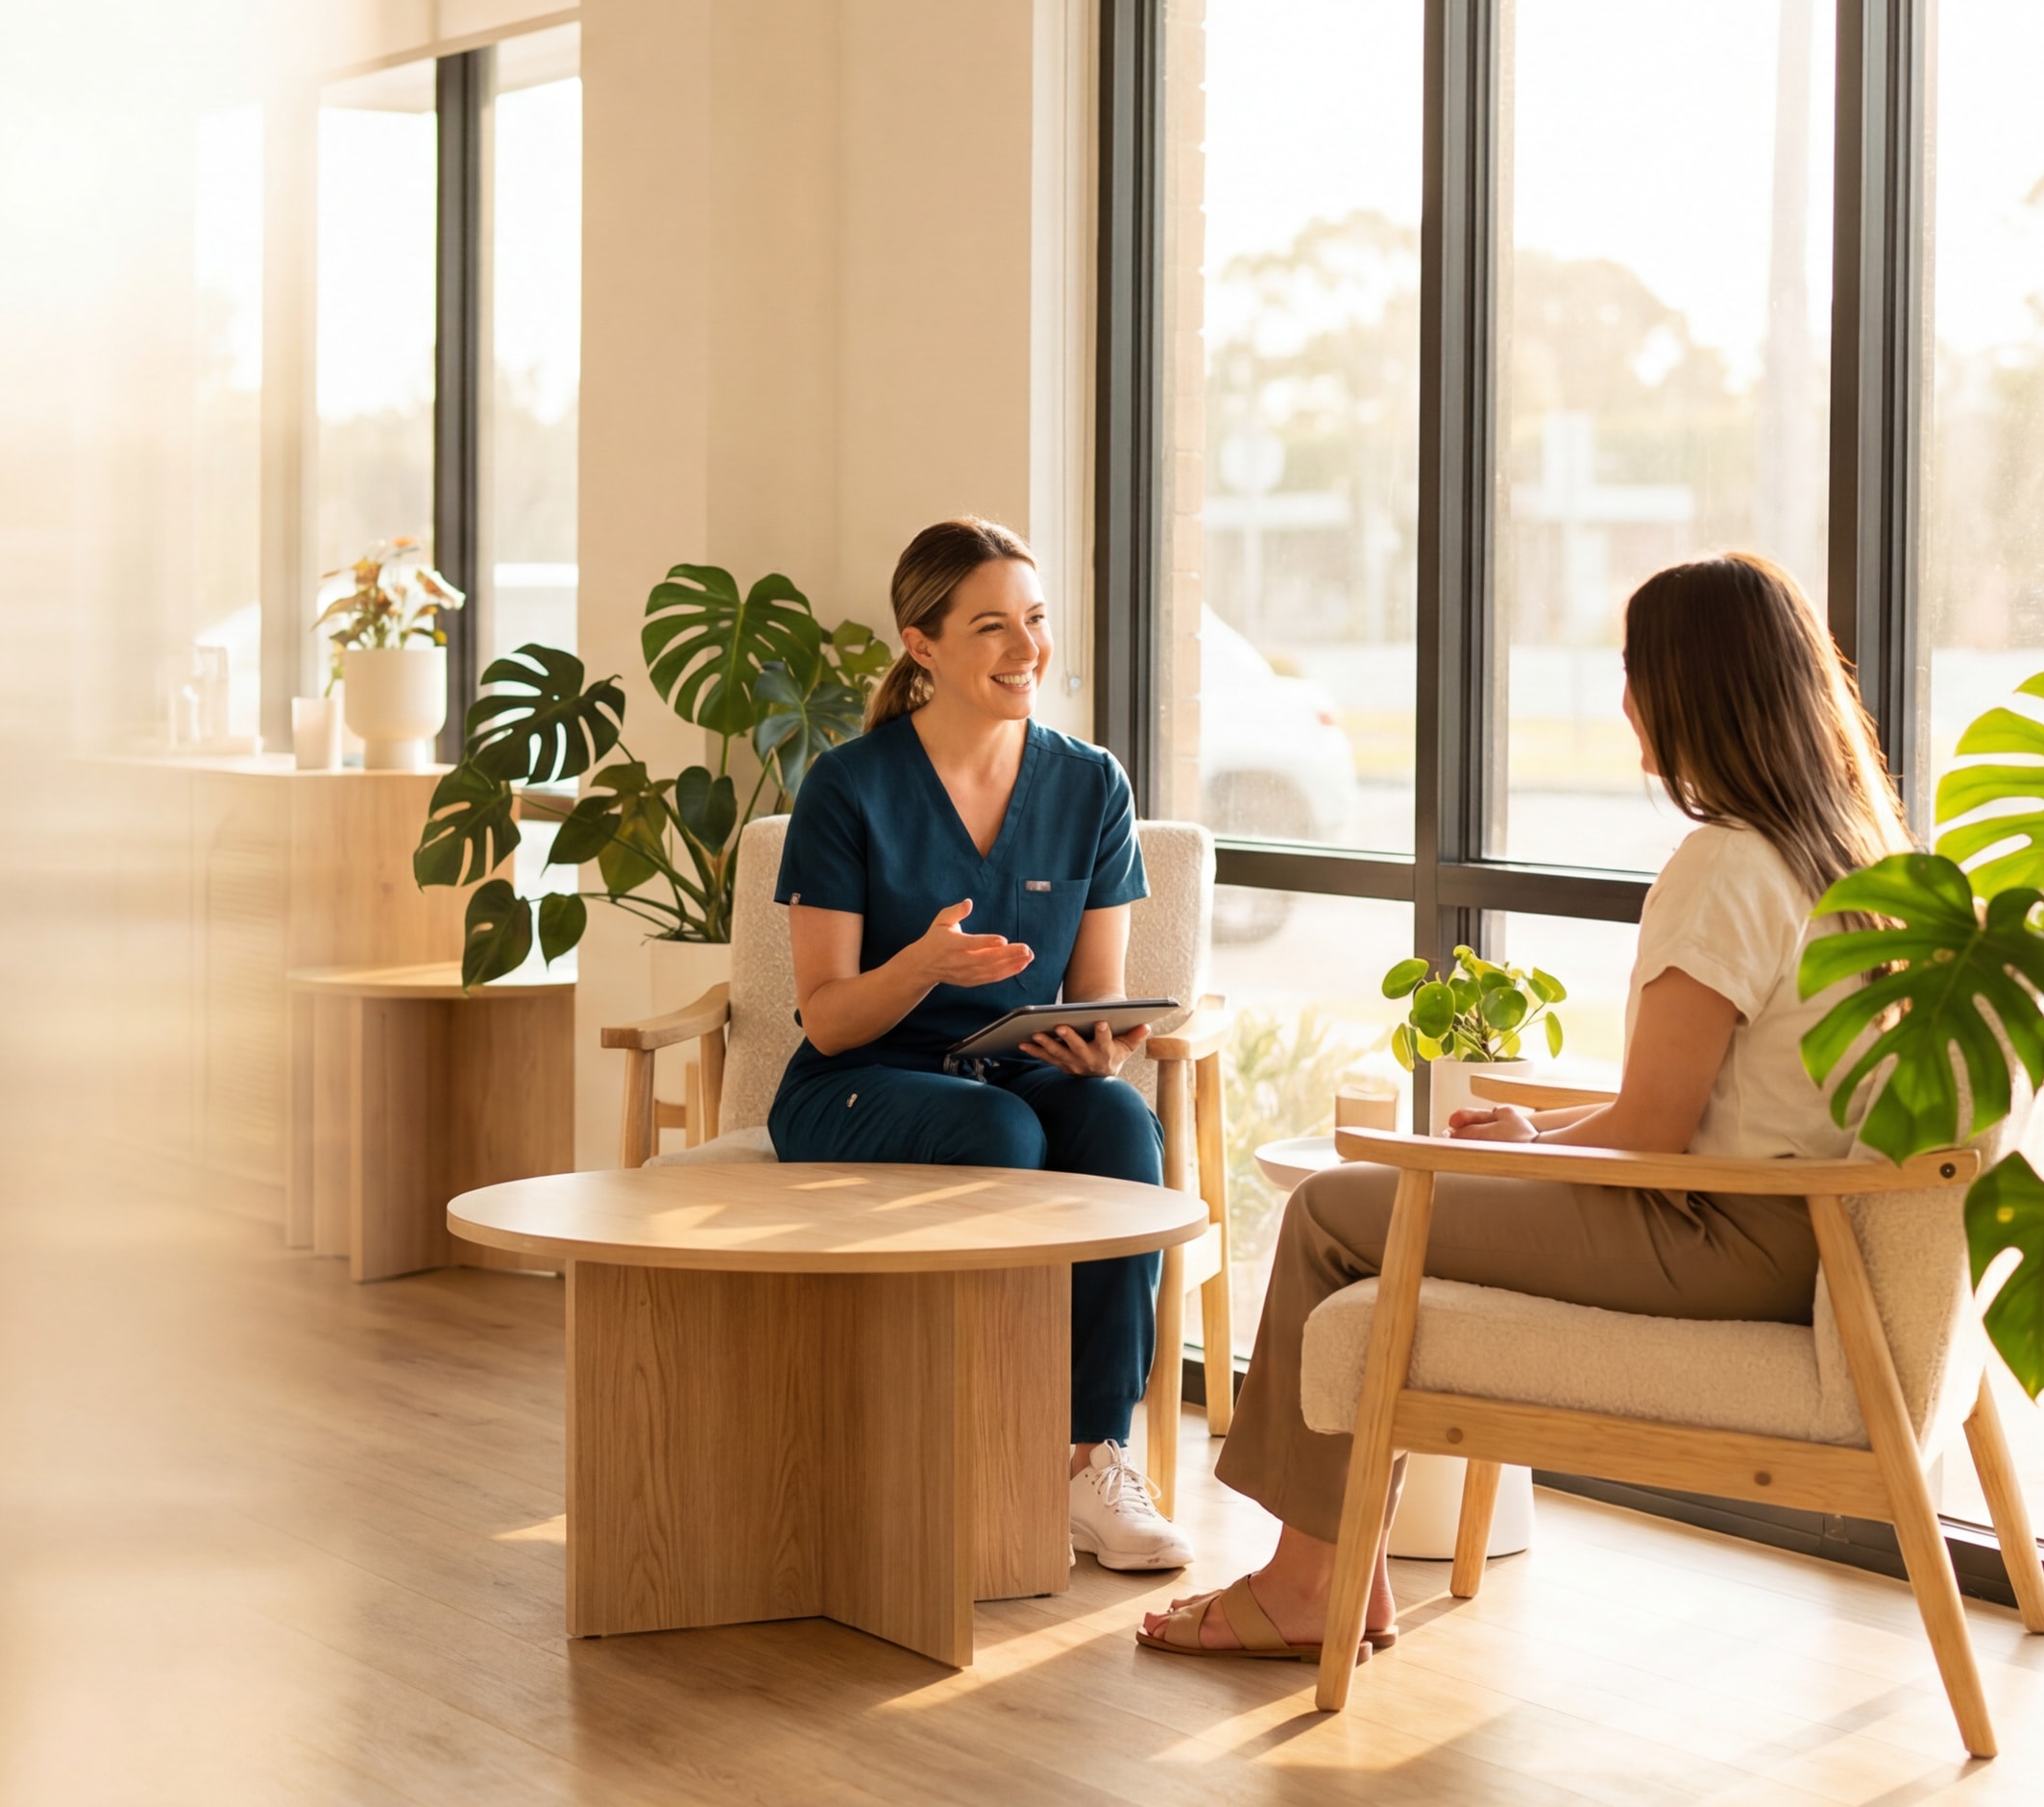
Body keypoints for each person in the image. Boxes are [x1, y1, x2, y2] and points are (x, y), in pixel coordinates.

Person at [1141, 549, 1907, 1663]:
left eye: (1636, 670)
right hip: (1789, 1226)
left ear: (1693, 689)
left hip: (1718, 1231)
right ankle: (1337, 1573)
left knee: (1334, 1210)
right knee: (1396, 1193)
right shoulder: (1843, 853)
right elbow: (1702, 1103)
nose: (1627, 698)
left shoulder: (1726, 864)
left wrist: (1512, 1158)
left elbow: (1652, 1133)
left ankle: (1309, 1582)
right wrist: (1535, 1136)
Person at [769, 516, 1192, 1574]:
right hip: (857, 1080)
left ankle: (1092, 1462)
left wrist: (1102, 1045)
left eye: (1036, 621)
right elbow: (825, 1014)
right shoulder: (849, 785)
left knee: (1116, 1123)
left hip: (1010, 1069)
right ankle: (977, 1449)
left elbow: (1092, 997)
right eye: (992, 626)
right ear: (922, 645)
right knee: (1000, 1129)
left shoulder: (1092, 784)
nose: (1026, 650)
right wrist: (920, 966)